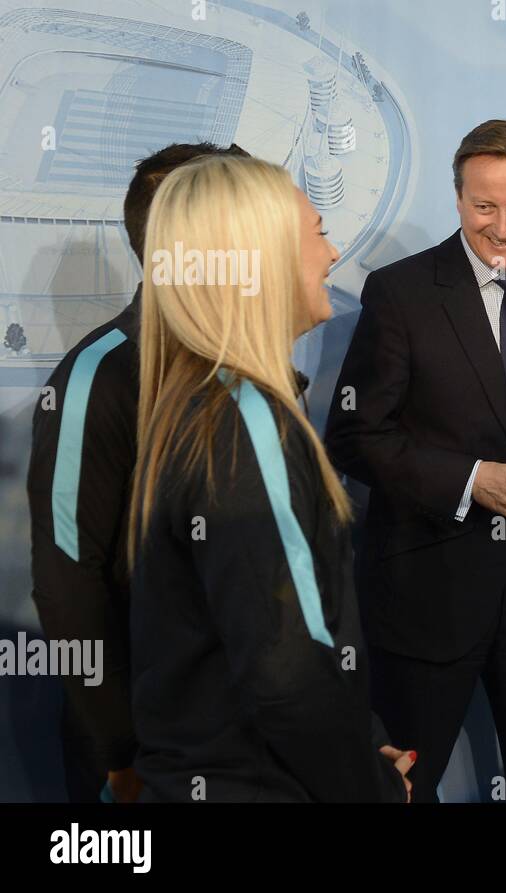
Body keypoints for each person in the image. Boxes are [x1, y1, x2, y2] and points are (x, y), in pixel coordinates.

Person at [325, 119, 506, 802]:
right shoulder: (401, 292)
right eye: (484, 206)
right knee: (404, 787)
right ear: (457, 198)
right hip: (427, 592)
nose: (501, 226)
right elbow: (355, 433)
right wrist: (468, 480)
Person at [128, 154, 412, 802]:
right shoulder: (242, 422)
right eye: (316, 232)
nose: (334, 252)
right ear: (260, 259)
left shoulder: (202, 404)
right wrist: (372, 785)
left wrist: (362, 745)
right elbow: (291, 677)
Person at [27, 141, 248, 803]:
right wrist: (118, 751)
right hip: (144, 751)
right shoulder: (99, 374)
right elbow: (68, 584)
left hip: (239, 736)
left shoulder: (245, 372)